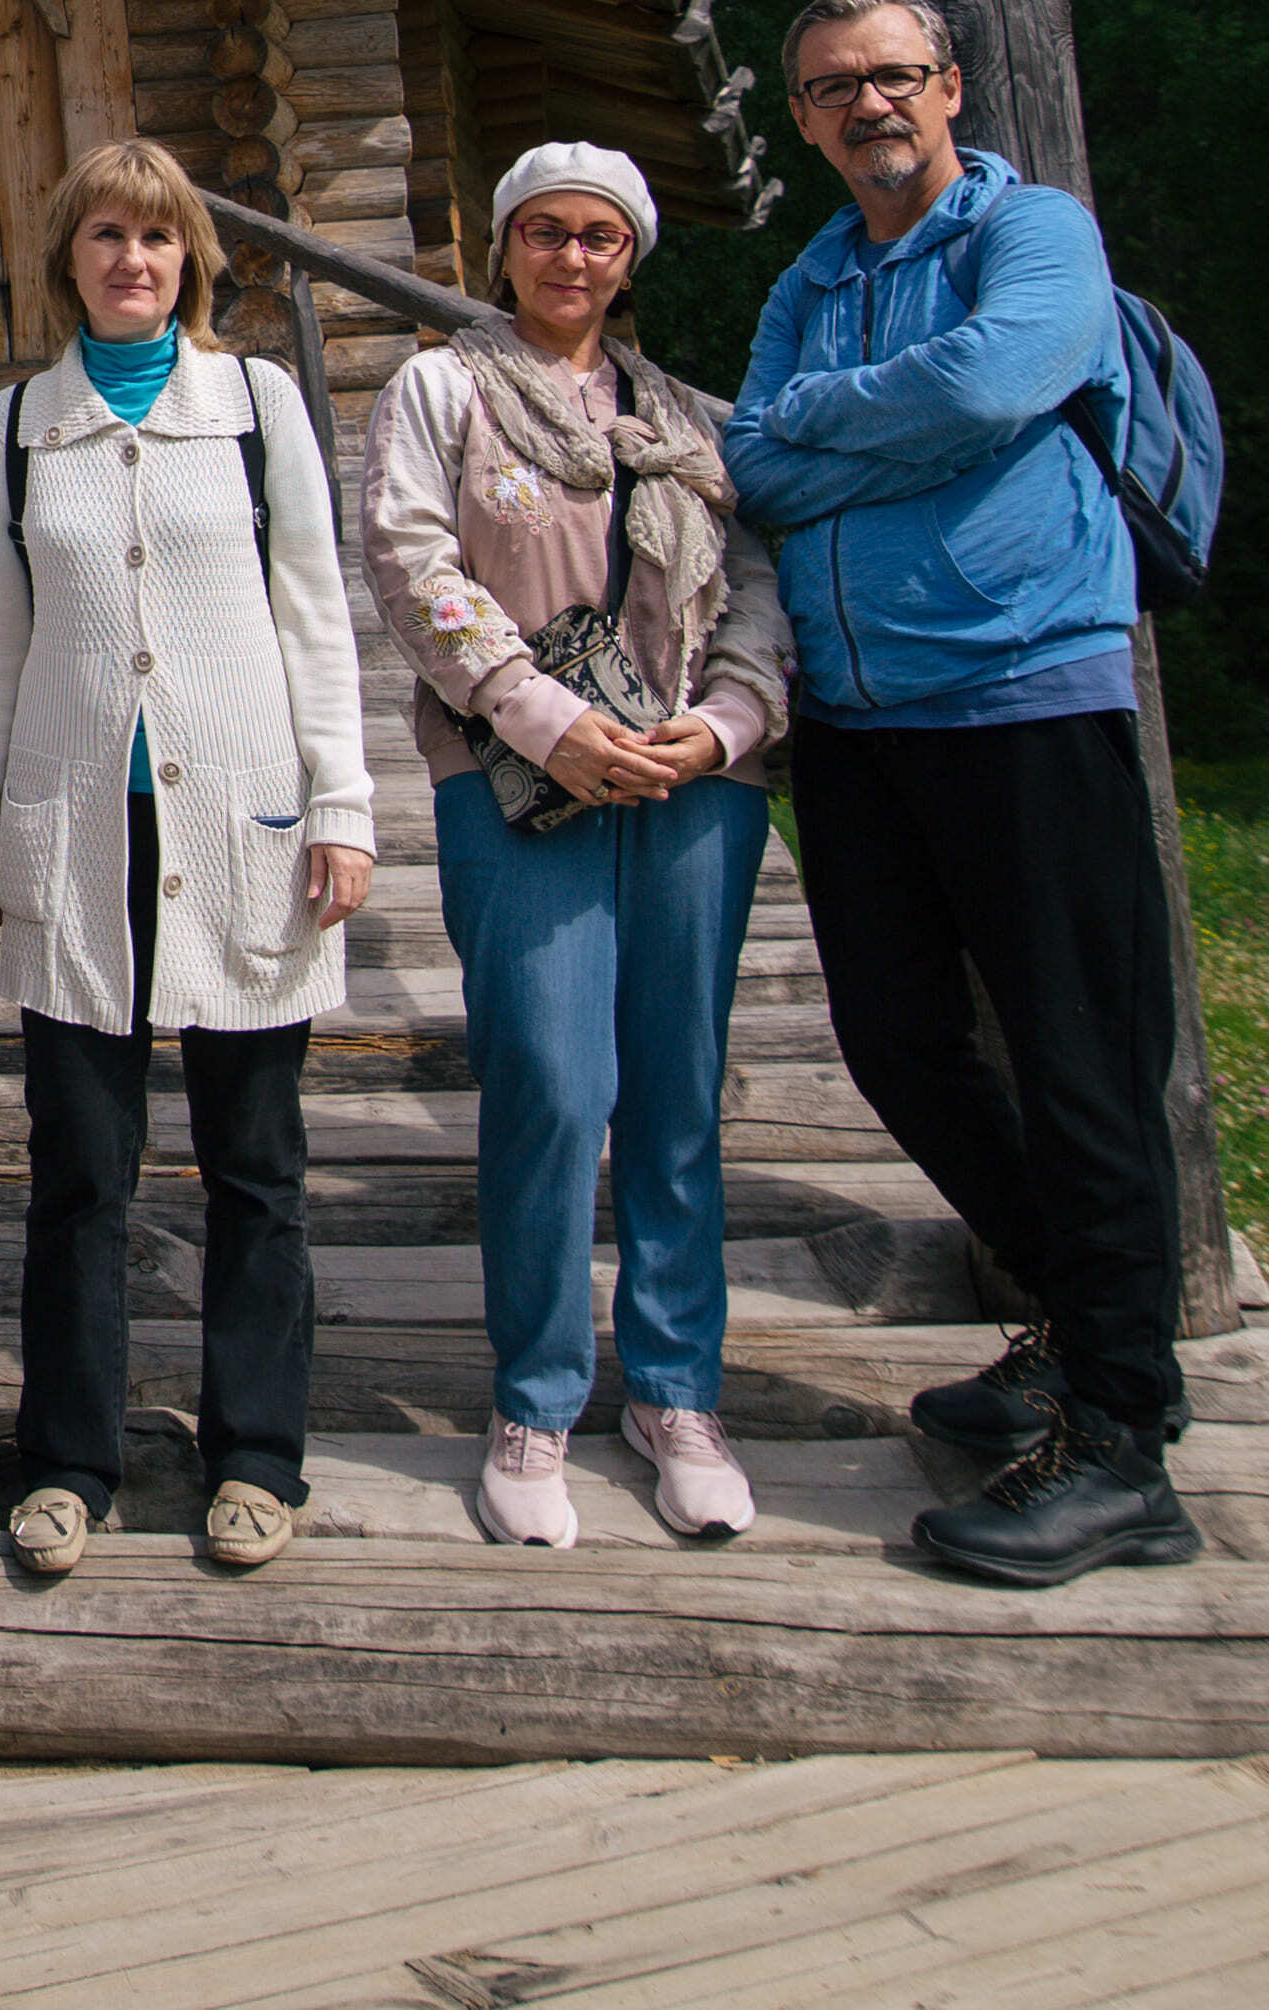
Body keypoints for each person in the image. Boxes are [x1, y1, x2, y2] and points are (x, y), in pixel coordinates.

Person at [723, 0, 1190, 1587]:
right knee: (899, 1040)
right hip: (859, 717)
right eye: (831, 86)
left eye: (892, 75)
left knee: (1077, 1060)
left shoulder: (1033, 229)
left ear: (948, 85)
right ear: (798, 115)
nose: (867, 104)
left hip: (1022, 693)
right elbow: (756, 467)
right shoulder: (809, 276)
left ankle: (1124, 1443)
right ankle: (1078, 1326)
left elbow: (999, 384)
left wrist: (836, 422)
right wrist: (878, 425)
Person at [0, 139, 374, 1589]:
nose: (131, 259)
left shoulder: (252, 405)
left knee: (254, 1164)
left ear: (191, 257)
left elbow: (312, 614)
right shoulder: (19, 424)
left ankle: (254, 1452)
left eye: (156, 237)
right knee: (79, 1169)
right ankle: (67, 1458)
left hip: (237, 822)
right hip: (74, 830)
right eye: (103, 237)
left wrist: (343, 805)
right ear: (64, 258)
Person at [361, 141, 794, 1548]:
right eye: (541, 231)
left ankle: (675, 1391)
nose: (568, 257)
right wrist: (542, 719)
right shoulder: (440, 390)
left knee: (675, 1088)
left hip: (688, 785)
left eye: (597, 236)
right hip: (518, 781)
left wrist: (724, 723)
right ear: (500, 247)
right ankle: (536, 1394)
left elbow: (752, 591)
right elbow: (412, 562)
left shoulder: (686, 417)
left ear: (630, 255)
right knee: (548, 1081)